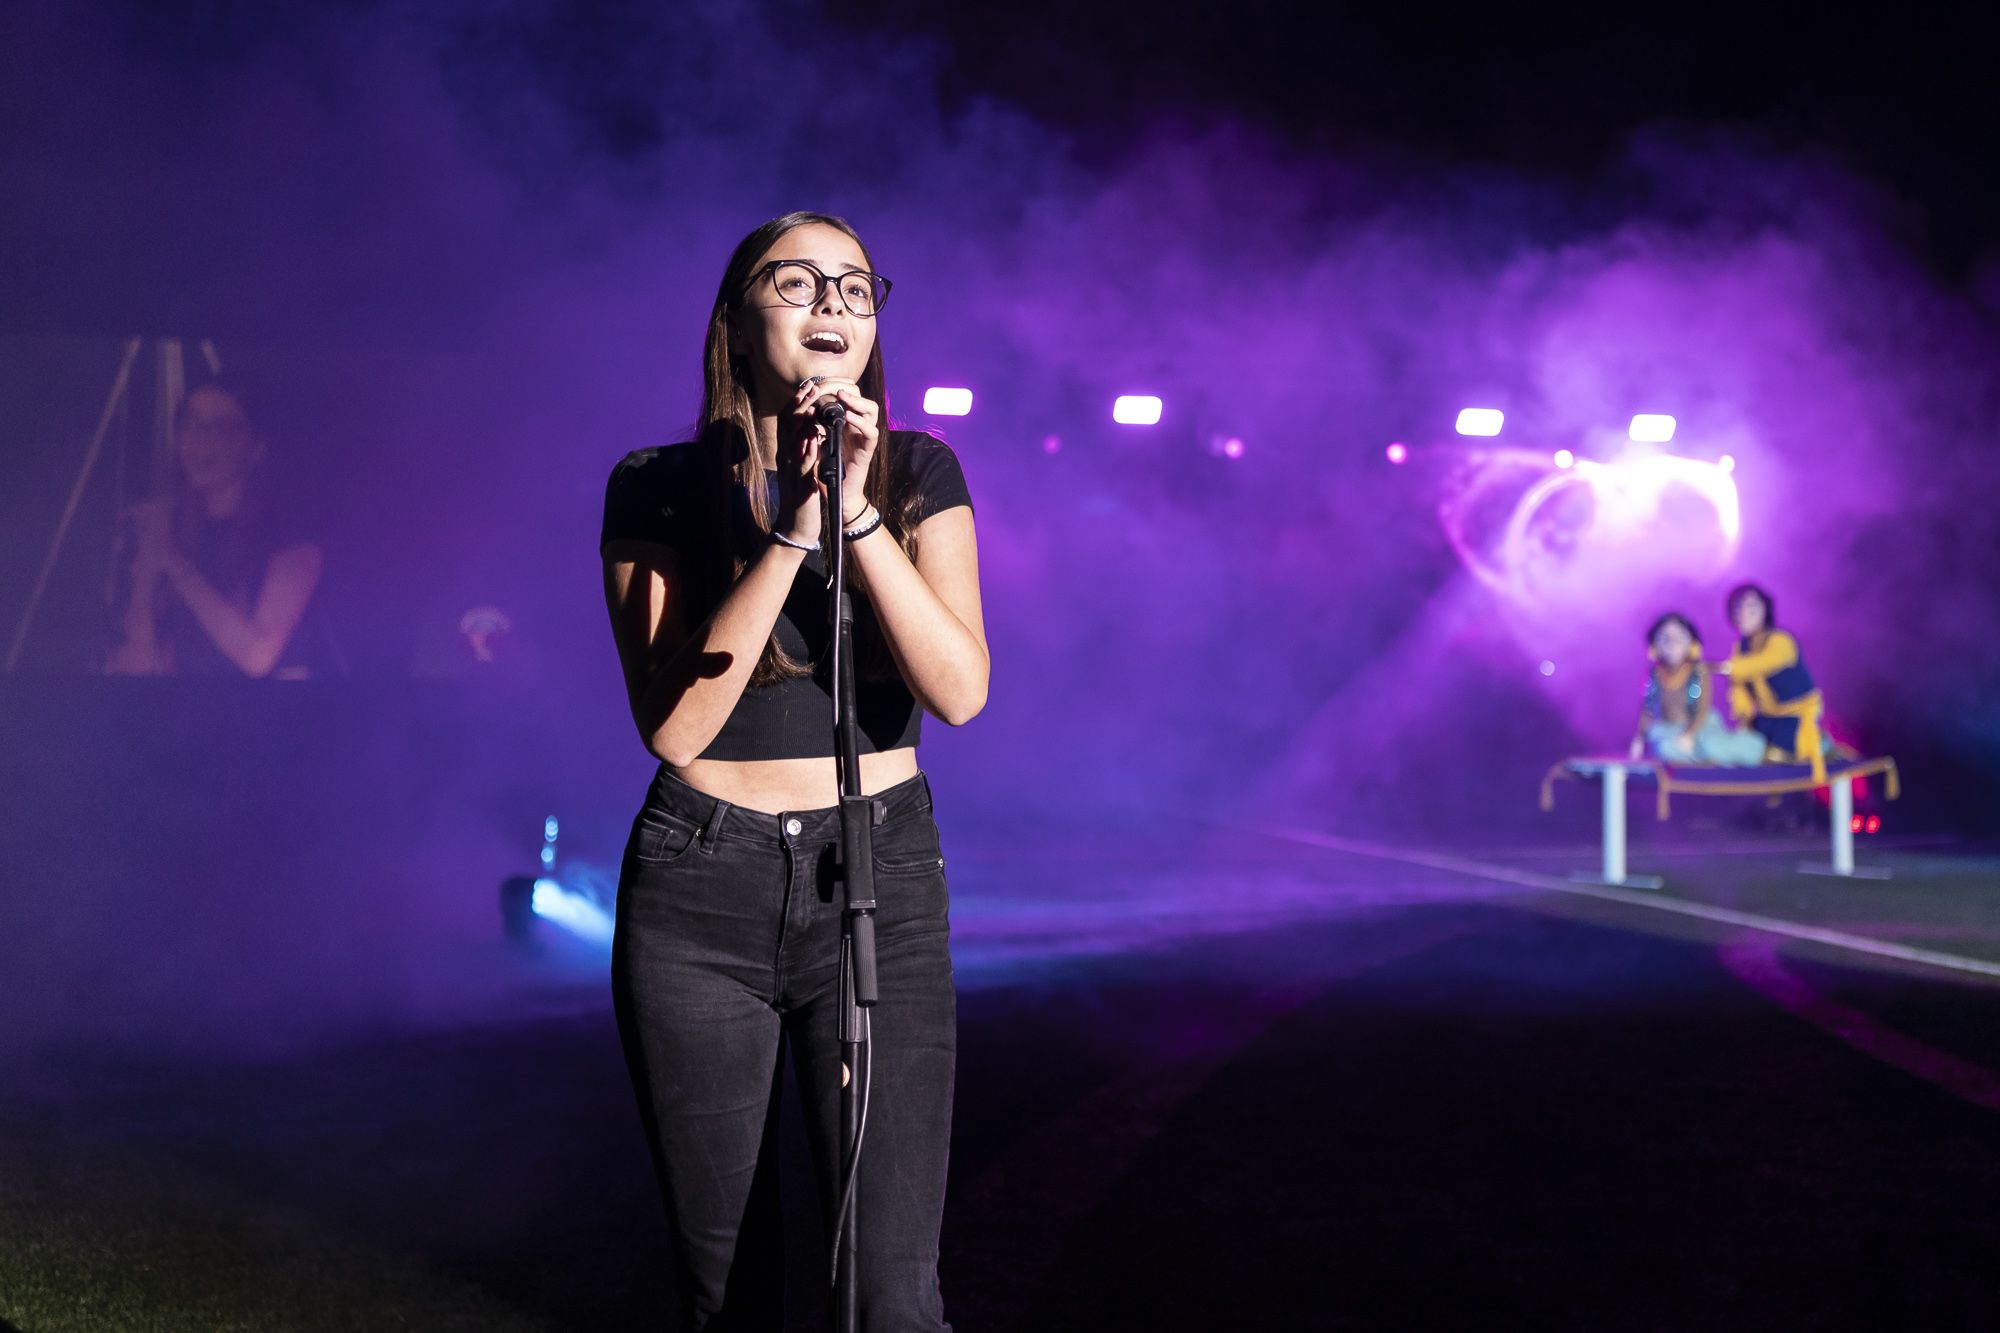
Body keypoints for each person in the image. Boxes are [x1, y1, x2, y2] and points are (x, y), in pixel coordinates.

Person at [599, 211, 987, 1331]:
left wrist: (856, 510)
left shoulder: (918, 471)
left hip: (874, 876)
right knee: (731, 1289)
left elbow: (959, 689)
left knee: (888, 1292)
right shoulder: (655, 484)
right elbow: (676, 726)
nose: (832, 305)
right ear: (734, 315)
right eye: (797, 282)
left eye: (857, 289)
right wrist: (793, 527)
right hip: (697, 887)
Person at [105, 381, 326, 679]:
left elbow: (256, 657)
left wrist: (169, 555)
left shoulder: (291, 538)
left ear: (257, 447)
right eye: (191, 423)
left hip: (270, 717)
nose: (200, 439)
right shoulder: (172, 524)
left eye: (220, 427)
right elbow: (139, 649)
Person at [1716, 582, 1829, 783]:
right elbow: (1738, 685)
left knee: (1776, 757)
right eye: (1738, 608)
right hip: (1767, 716)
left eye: (1751, 607)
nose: (1743, 613)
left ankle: (1824, 744)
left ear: (1765, 610)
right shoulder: (1740, 647)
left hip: (1794, 716)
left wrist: (1717, 668)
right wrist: (1743, 713)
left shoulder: (1782, 641)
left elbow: (1758, 665)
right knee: (1748, 751)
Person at [1626, 612, 1767, 764]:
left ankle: (1736, 749)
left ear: (1691, 644)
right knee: (1664, 750)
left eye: (1679, 637)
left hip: (1700, 727)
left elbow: (1701, 709)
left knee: (1711, 746)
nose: (1672, 643)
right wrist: (1639, 738)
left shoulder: (1697, 671)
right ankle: (1703, 758)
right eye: (1665, 638)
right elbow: (1648, 710)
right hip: (1669, 730)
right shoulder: (1653, 675)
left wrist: (1689, 735)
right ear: (1654, 646)